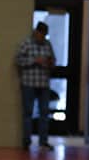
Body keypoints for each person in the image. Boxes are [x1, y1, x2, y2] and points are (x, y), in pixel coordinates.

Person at [15, 20, 57, 149]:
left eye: (44, 35)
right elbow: (18, 60)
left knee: (44, 113)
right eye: (41, 34)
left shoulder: (47, 44)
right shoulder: (26, 43)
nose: (42, 37)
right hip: (29, 83)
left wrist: (50, 63)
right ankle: (26, 141)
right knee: (28, 112)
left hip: (43, 83)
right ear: (36, 32)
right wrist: (34, 60)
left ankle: (43, 141)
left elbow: (53, 61)